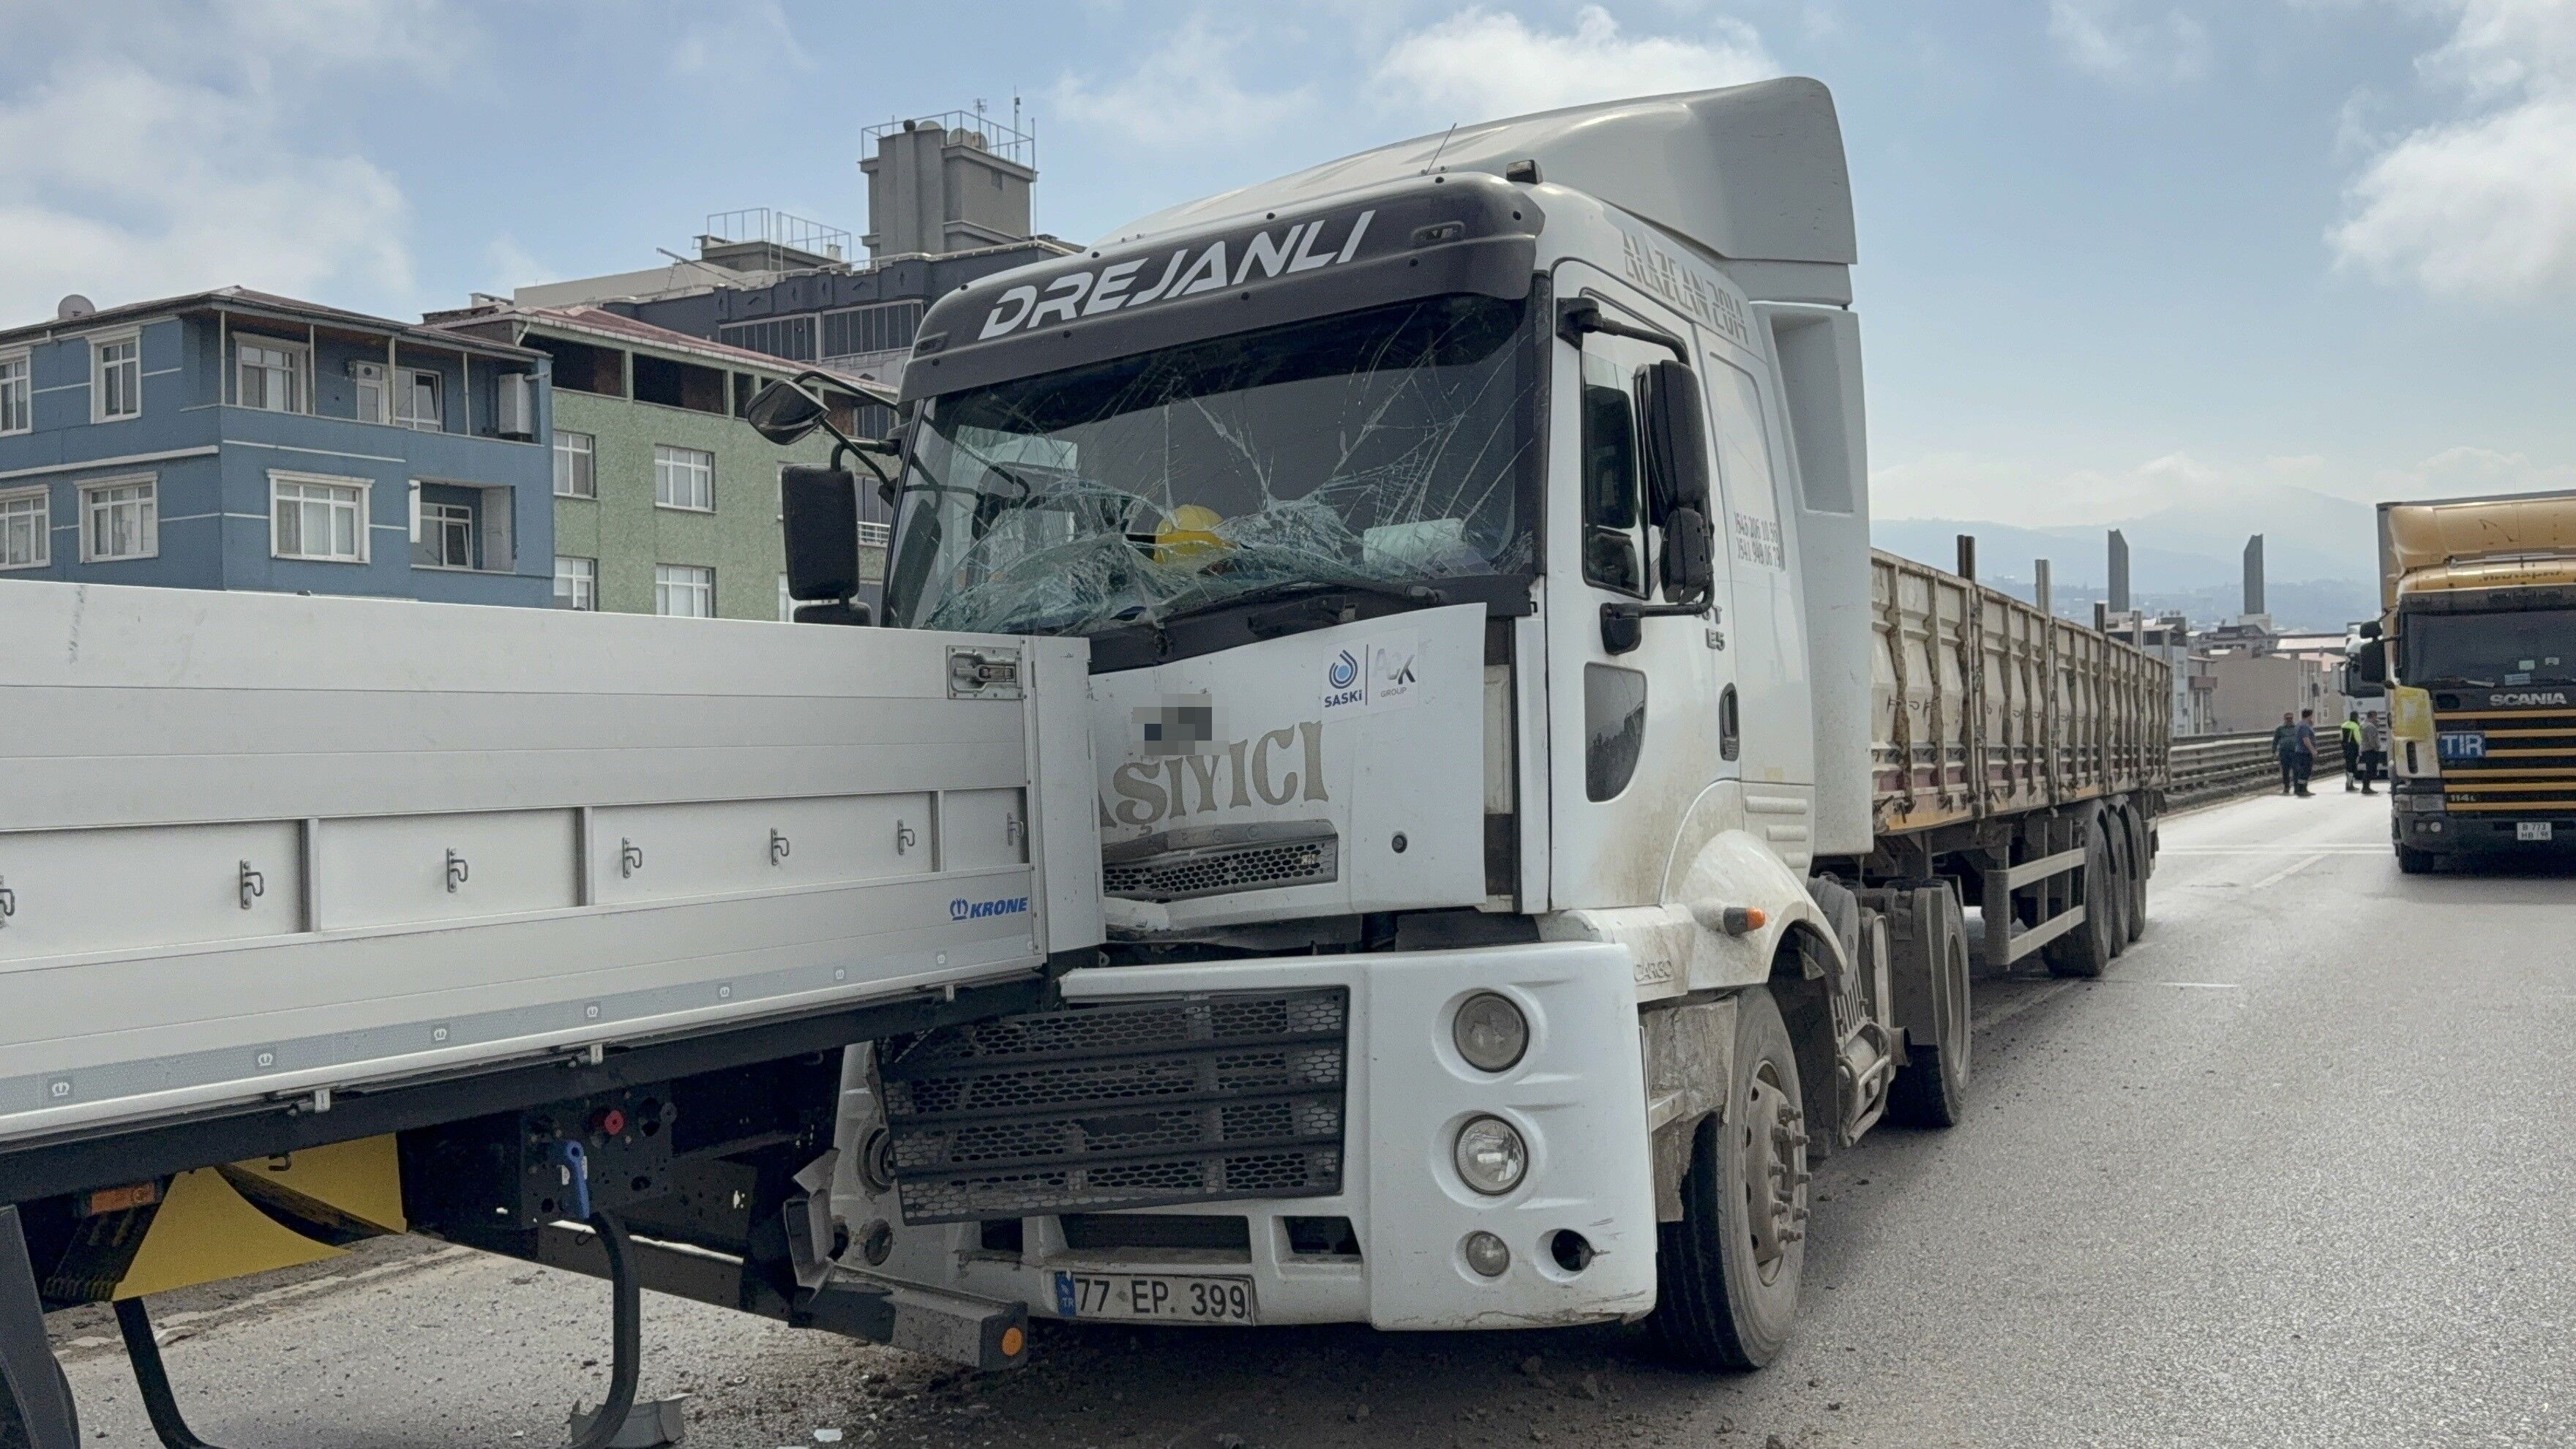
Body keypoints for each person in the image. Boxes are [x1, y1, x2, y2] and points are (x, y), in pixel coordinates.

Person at [2273, 712, 2301, 795]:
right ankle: (2286, 787)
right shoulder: (2280, 729)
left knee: (2296, 770)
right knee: (2285, 771)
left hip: (2295, 753)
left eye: (2290, 718)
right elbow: (2275, 741)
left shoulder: (2297, 728)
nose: (2289, 720)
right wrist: (2273, 751)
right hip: (2284, 752)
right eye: (2287, 719)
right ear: (2285, 719)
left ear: (2292, 719)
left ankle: (2297, 788)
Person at [2359, 712, 2386, 794]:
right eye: (2375, 717)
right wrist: (2376, 748)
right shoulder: (2370, 726)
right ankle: (2366, 788)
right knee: (2371, 770)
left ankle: (2366, 787)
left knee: (2369, 769)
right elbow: (2372, 739)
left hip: (2365, 749)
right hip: (2371, 750)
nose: (2376, 719)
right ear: (2373, 716)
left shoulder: (2363, 725)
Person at [2294, 708, 2318, 796]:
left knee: (2303, 771)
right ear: (2309, 716)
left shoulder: (2299, 724)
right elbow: (2306, 740)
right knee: (2305, 771)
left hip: (2300, 751)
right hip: (2305, 752)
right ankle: (2302, 790)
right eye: (2312, 716)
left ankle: (2302, 789)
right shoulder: (2304, 726)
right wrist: (2313, 750)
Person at [2340, 712, 2365, 792]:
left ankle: (2349, 784)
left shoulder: (2344, 725)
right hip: (2353, 748)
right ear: (2356, 717)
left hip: (2345, 748)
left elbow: (2341, 737)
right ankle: (2350, 785)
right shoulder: (2355, 726)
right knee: (2353, 766)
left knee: (2348, 766)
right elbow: (2358, 739)